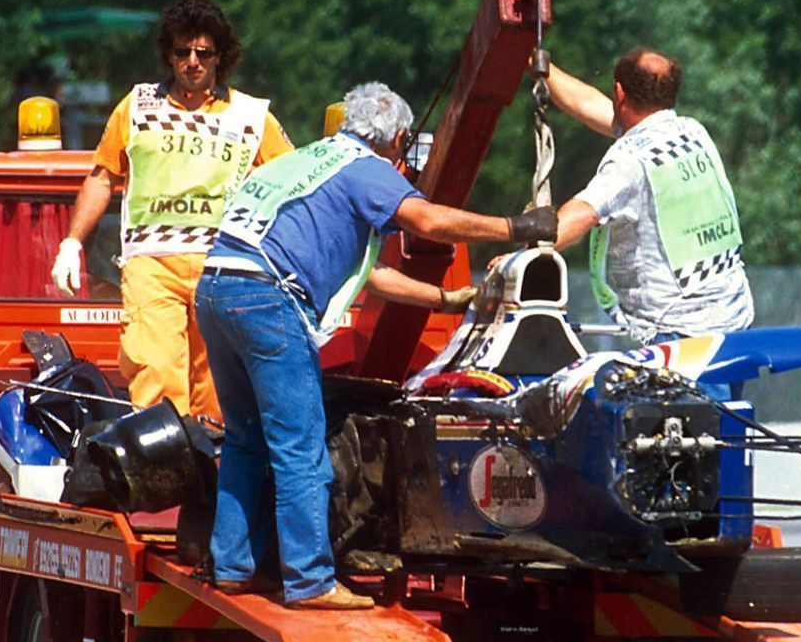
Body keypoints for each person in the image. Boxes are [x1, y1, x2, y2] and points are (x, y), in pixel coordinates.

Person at [193, 82, 558, 609]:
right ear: (401, 138)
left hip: (218, 289)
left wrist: (444, 299)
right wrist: (515, 226)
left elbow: (370, 273)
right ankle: (311, 581)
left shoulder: (305, 160)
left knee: (248, 439)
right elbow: (429, 220)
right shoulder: (367, 169)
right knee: (300, 445)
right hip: (267, 299)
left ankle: (234, 565)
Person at [50, 0, 293, 421]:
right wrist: (71, 243)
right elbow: (102, 176)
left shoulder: (253, 116)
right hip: (151, 265)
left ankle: (218, 478)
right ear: (169, 54)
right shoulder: (138, 105)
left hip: (224, 266)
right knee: (157, 374)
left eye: (204, 52)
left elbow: (293, 181)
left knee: (219, 391)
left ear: (221, 57)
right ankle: (162, 481)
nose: (193, 62)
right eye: (183, 52)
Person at [545, 47, 754, 346]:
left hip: (679, 341)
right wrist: (539, 65)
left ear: (619, 93)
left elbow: (582, 214)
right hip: (733, 326)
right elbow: (588, 103)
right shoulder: (691, 133)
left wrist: (522, 256)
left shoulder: (630, 160)